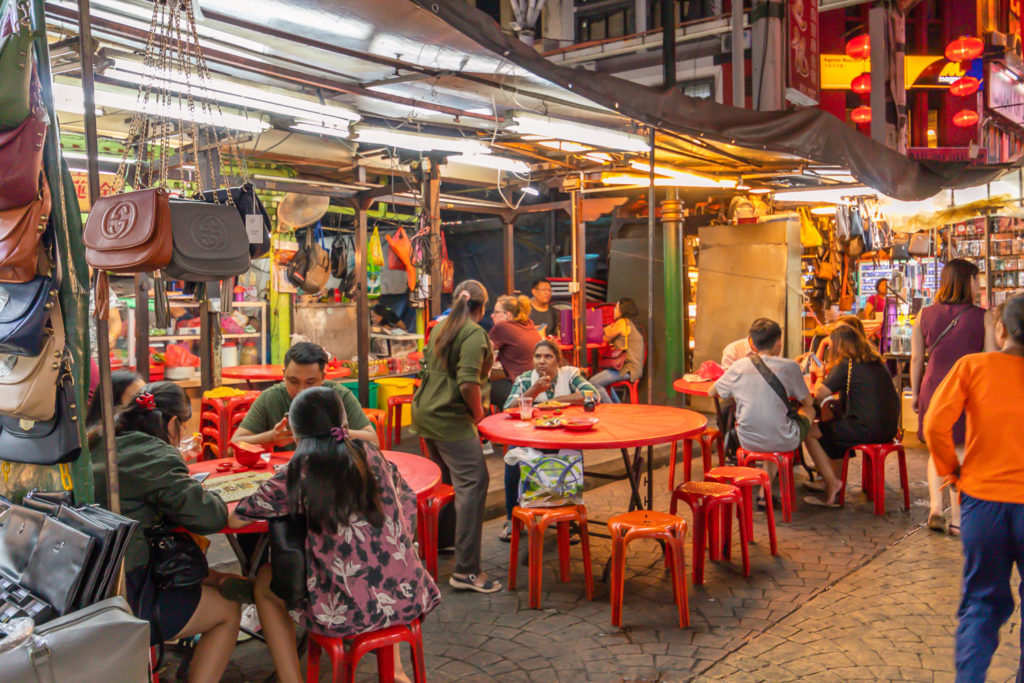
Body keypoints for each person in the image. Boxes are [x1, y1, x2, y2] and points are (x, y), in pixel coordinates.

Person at [229, 387, 440, 683]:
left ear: (293, 428)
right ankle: (395, 672)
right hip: (409, 595)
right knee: (376, 567)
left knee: (265, 581)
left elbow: (237, 519)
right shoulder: (371, 454)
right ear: (343, 421)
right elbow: (406, 504)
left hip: (346, 611)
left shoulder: (297, 471)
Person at [92, 382, 239, 683]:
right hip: (126, 594)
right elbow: (209, 516)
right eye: (183, 426)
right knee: (228, 609)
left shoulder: (98, 440)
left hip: (87, 587)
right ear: (172, 423)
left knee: (213, 579)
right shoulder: (154, 455)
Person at [923, 294, 1024, 682]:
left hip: (984, 502)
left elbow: (933, 425)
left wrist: (952, 472)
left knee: (982, 601)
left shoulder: (973, 367)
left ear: (1001, 331)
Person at [411, 280, 500, 593]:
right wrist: (479, 416)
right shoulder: (474, 334)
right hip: (449, 418)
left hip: (426, 412)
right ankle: (466, 571)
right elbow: (467, 384)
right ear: (483, 307)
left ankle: (443, 543)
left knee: (447, 481)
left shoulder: (441, 326)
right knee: (474, 484)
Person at [911, 259, 986, 536]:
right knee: (961, 451)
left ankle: (934, 508)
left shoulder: (924, 315)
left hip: (934, 386)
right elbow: (987, 359)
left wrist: (916, 392)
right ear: (967, 281)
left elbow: (917, 358)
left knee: (937, 448)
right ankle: (956, 518)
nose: (979, 284)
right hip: (967, 390)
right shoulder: (983, 317)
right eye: (977, 279)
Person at [497, 340, 601, 541]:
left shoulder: (569, 375)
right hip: (531, 436)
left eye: (548, 357)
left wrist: (560, 400)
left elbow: (592, 395)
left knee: (571, 459)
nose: (542, 361)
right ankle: (511, 519)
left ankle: (567, 519)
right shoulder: (526, 379)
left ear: (557, 360)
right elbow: (508, 406)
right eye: (538, 357)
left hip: (563, 435)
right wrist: (533, 392)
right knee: (512, 459)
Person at [803, 325, 900, 507]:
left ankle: (832, 483)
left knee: (810, 432)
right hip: (888, 431)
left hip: (864, 430)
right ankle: (834, 484)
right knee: (833, 425)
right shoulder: (876, 362)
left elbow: (821, 393)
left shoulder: (847, 363)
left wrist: (821, 375)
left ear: (840, 346)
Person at [710, 318, 814, 483]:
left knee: (768, 425)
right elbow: (807, 401)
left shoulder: (738, 366)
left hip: (747, 439)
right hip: (782, 439)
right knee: (809, 410)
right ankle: (822, 469)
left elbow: (712, 392)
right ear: (778, 343)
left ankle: (763, 493)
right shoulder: (791, 367)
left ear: (753, 343)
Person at [232, 341, 377, 450]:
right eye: (293, 381)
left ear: (323, 378)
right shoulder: (270, 398)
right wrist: (271, 438)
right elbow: (234, 444)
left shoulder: (339, 396)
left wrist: (338, 433)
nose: (301, 390)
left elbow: (373, 441)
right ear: (284, 375)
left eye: (310, 382)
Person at [489, 294, 542, 409]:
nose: (492, 315)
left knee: (479, 389)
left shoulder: (503, 327)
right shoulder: (529, 324)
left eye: (496, 312)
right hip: (536, 386)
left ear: (507, 315)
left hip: (519, 387)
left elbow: (481, 352)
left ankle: (484, 425)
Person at [590, 297, 645, 403]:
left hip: (627, 369)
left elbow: (605, 337)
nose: (613, 310)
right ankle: (618, 406)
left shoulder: (622, 322)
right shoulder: (631, 323)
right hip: (633, 368)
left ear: (622, 310)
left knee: (593, 382)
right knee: (603, 383)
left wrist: (604, 329)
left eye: (616, 308)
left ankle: (611, 409)